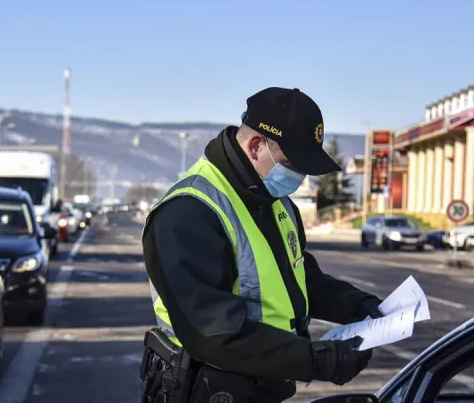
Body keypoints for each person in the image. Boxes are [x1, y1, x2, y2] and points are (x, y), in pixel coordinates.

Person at [140, 87, 384, 403]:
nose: (300, 177)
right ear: (256, 146)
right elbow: (212, 332)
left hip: (262, 388)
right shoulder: (189, 211)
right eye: (294, 164)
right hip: (205, 391)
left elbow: (299, 280)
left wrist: (357, 305)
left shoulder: (273, 202)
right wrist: (318, 360)